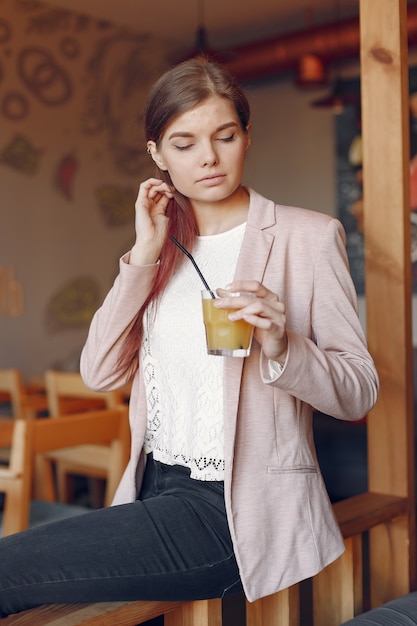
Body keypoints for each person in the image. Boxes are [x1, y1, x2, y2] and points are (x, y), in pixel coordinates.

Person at [0, 56, 379, 616]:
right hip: (150, 488)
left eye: (225, 136)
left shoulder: (308, 237)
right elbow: (99, 371)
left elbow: (360, 391)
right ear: (156, 154)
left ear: (247, 137)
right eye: (184, 144)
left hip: (233, 509)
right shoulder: (160, 248)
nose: (208, 158)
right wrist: (142, 256)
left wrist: (282, 346)